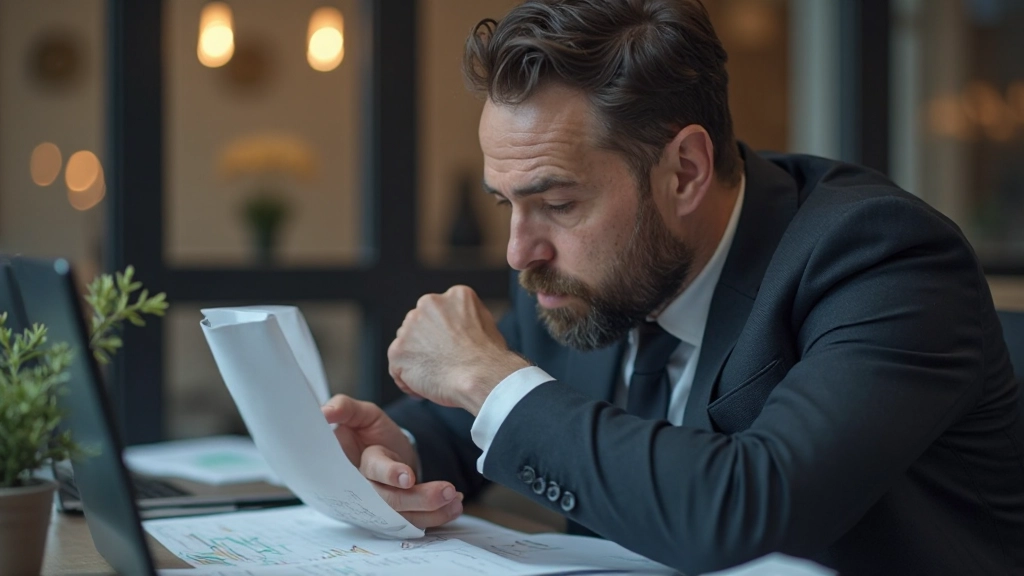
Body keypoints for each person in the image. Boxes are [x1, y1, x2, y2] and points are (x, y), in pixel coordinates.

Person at [320, 0, 1024, 573]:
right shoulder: (578, 272)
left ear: (684, 171)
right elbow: (479, 417)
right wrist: (401, 451)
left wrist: (485, 377)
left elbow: (749, 509)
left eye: (559, 204)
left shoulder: (882, 259)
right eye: (508, 203)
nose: (519, 251)